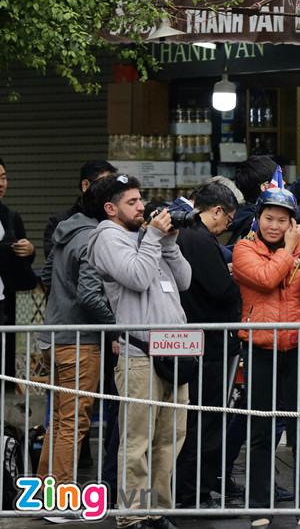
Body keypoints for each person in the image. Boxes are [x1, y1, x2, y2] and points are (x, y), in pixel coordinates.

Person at [88, 174, 191, 529]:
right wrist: (154, 238)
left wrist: (170, 242)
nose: (141, 206)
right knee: (137, 442)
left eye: (140, 199)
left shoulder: (146, 237)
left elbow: (184, 280)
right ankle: (132, 516)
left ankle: (158, 511)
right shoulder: (107, 237)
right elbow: (136, 276)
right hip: (140, 353)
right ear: (110, 208)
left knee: (169, 439)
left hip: (175, 350)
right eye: (131, 202)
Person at [233, 187, 300, 527]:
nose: (274, 226)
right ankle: (259, 506)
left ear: (292, 223)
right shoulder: (244, 249)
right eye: (268, 218)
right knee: (260, 429)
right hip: (260, 347)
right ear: (257, 219)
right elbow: (266, 279)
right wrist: (288, 250)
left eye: (282, 220)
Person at [37, 181, 115, 488]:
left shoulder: (65, 231)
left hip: (52, 336)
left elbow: (46, 275)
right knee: (74, 421)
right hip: (80, 341)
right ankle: (61, 494)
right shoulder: (93, 239)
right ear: (108, 208)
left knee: (59, 418)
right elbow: (89, 296)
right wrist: (116, 325)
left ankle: (46, 488)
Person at [174, 181, 243, 509]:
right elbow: (221, 290)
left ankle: (189, 493)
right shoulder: (199, 238)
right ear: (216, 211)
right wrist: (235, 279)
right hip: (208, 344)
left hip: (195, 341)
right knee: (205, 424)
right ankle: (194, 495)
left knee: (194, 423)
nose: (227, 226)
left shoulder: (185, 235)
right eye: (228, 219)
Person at [228, 149, 300, 245]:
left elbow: (296, 190)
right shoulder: (257, 216)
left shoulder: (249, 210)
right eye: (279, 180)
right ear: (265, 187)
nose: (284, 183)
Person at [0, 158, 37, 381]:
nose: (1, 183)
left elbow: (24, 260)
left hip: (5, 301)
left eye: (3, 178)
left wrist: (30, 250)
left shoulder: (11, 216)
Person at [43, 160, 117, 259]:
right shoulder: (60, 221)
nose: (109, 190)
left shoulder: (113, 219)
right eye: (104, 183)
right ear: (85, 185)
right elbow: (53, 260)